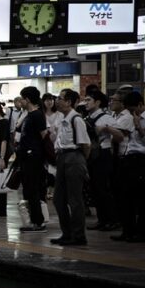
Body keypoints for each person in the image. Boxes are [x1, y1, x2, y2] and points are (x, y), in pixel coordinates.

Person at [112, 92, 145, 243]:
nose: (132, 113)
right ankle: (128, 231)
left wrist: (139, 127)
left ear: (140, 104)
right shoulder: (134, 115)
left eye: (133, 109)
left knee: (142, 199)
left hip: (143, 161)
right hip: (129, 159)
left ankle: (142, 234)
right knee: (125, 197)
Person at [48, 89, 91, 246]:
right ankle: (67, 233)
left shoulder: (76, 119)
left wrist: (80, 162)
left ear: (69, 102)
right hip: (62, 157)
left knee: (75, 200)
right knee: (58, 199)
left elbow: (86, 145)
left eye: (60, 98)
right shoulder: (62, 118)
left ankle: (78, 236)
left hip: (73, 157)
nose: (57, 101)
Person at [84, 91, 122, 231]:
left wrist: (106, 128)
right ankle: (102, 219)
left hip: (103, 155)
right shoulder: (87, 117)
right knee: (95, 189)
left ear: (98, 102)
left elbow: (120, 137)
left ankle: (112, 220)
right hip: (92, 156)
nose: (86, 102)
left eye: (88, 100)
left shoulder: (107, 118)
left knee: (103, 189)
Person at [16, 86, 49, 233]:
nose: (20, 101)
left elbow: (44, 136)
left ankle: (38, 221)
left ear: (27, 99)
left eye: (22, 99)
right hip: (26, 156)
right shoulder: (28, 114)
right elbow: (18, 129)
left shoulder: (37, 115)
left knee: (33, 189)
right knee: (28, 189)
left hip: (33, 157)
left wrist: (37, 153)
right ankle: (32, 220)